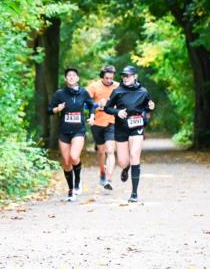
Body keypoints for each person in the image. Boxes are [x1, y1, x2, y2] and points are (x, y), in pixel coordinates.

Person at [103, 65, 155, 202]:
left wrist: (151, 107)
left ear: (135, 76)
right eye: (124, 76)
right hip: (121, 128)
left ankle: (134, 193)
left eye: (128, 76)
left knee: (134, 155)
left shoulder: (143, 91)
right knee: (123, 162)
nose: (125, 78)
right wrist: (117, 112)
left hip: (136, 127)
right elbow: (107, 108)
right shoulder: (117, 91)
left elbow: (148, 106)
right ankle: (126, 169)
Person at [48, 67, 99, 202]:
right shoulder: (60, 94)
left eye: (73, 75)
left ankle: (78, 181)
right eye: (69, 75)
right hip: (64, 131)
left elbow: (92, 105)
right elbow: (49, 110)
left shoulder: (83, 92)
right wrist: (57, 109)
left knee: (74, 156)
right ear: (66, 79)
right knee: (66, 162)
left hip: (78, 131)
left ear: (77, 78)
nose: (71, 77)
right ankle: (71, 190)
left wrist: (92, 116)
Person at [87, 65, 119, 190]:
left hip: (112, 122)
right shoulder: (93, 87)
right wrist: (97, 104)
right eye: (107, 78)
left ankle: (109, 179)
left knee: (110, 150)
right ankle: (102, 172)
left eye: (111, 78)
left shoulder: (118, 87)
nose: (109, 80)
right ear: (102, 76)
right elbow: (85, 103)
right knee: (101, 152)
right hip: (97, 123)